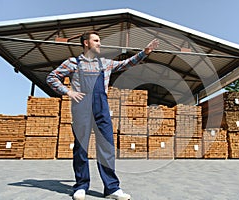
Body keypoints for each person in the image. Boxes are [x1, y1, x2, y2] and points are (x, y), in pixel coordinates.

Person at [46, 30, 159, 200]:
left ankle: (111, 188)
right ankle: (81, 186)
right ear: (86, 43)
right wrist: (68, 92)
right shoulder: (73, 63)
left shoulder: (105, 64)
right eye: (96, 40)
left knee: (106, 147)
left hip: (102, 109)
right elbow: (52, 77)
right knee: (81, 148)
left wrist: (145, 52)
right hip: (81, 109)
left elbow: (127, 64)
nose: (100, 43)